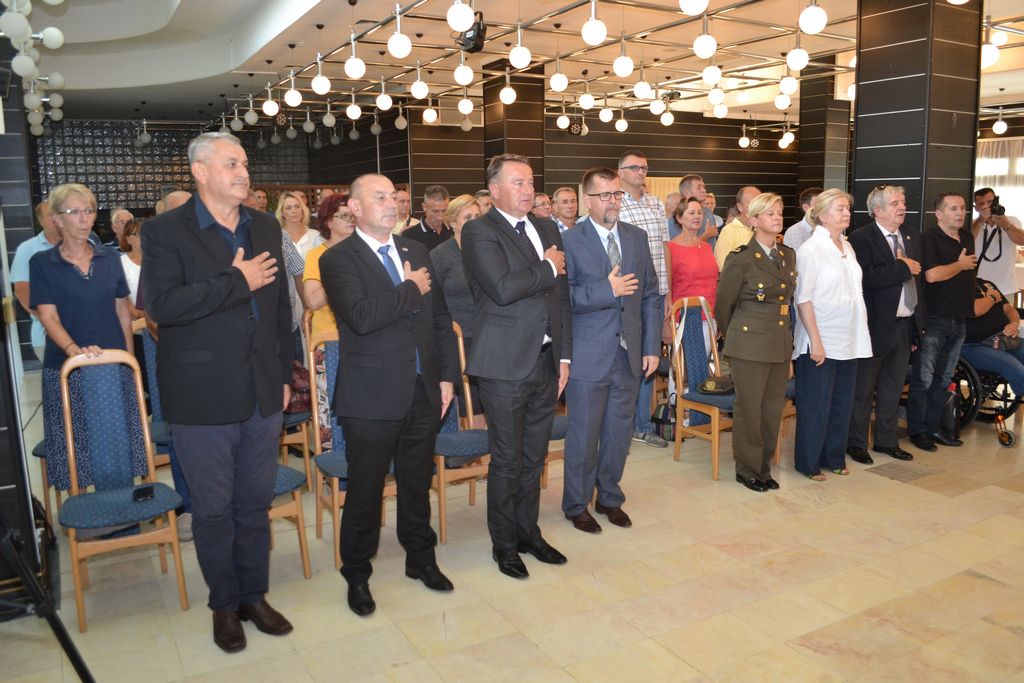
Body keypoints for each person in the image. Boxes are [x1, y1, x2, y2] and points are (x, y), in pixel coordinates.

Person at [143, 132, 294, 653]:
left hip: (262, 390)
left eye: (245, 163)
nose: (243, 172)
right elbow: (162, 307)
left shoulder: (265, 225)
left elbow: (279, 307)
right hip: (201, 394)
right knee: (212, 510)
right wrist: (236, 281)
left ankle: (254, 596)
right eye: (231, 164)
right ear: (200, 171)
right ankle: (224, 606)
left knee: (254, 505)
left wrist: (284, 372)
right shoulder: (164, 231)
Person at [321, 173, 459, 617]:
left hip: (422, 388)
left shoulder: (415, 250)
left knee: (417, 483)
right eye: (378, 197)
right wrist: (410, 287)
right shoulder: (337, 258)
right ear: (355, 208)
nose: (390, 203)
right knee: (366, 489)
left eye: (393, 196)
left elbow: (439, 319)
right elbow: (362, 317)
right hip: (371, 394)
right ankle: (357, 573)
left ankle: (421, 558)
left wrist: (446, 377)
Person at [461, 153, 571, 579]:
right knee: (507, 460)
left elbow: (559, 298)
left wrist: (564, 355)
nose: (528, 190)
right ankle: (504, 545)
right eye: (518, 183)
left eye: (530, 182)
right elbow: (503, 288)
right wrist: (547, 266)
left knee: (533, 457)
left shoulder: (546, 227)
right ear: (494, 191)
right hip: (504, 363)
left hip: (545, 360)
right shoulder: (479, 230)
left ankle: (529, 533)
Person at [561, 167, 660, 532]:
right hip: (589, 355)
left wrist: (651, 346)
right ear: (587, 199)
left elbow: (650, 294)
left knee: (619, 434)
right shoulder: (570, 241)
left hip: (629, 353)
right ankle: (576, 504)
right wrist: (607, 290)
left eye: (617, 194)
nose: (613, 202)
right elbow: (563, 299)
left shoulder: (636, 237)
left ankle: (609, 497)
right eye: (605, 195)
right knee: (584, 435)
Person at [30, 183, 134, 505]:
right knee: (76, 446)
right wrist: (74, 351)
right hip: (67, 367)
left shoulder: (110, 258)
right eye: (74, 212)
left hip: (111, 364)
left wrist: (129, 360)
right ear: (56, 219)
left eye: (88, 211)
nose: (83, 218)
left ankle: (121, 511)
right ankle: (86, 514)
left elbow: (122, 311)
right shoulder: (42, 262)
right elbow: (48, 316)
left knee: (116, 444)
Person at [715, 193, 796, 492]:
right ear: (753, 220)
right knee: (749, 409)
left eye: (779, 212)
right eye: (770, 213)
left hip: (778, 341)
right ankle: (747, 469)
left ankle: (764, 467)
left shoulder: (787, 255)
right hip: (749, 343)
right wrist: (738, 337)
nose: (777, 218)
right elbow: (724, 306)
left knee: (772, 409)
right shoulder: (741, 258)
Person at [792, 189, 872, 480]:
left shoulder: (847, 246)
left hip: (849, 336)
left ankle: (834, 457)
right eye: (840, 208)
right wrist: (815, 340)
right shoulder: (810, 250)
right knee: (816, 405)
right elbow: (804, 299)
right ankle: (808, 463)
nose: (846, 213)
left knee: (842, 402)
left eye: (847, 208)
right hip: (821, 337)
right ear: (822, 214)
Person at [846, 185, 923, 465]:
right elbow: (865, 278)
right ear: (877, 210)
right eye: (894, 203)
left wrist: (917, 326)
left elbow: (919, 285)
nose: (902, 207)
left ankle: (886, 441)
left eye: (903, 202)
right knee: (863, 389)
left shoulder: (910, 235)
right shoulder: (861, 238)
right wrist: (902, 267)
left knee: (892, 387)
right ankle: (856, 443)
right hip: (874, 325)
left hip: (904, 324)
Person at [908, 192, 977, 451]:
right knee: (924, 378)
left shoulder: (967, 237)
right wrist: (960, 265)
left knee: (944, 378)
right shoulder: (927, 239)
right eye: (953, 209)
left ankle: (934, 427)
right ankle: (918, 431)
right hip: (934, 319)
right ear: (939, 214)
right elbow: (932, 276)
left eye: (962, 208)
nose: (960, 213)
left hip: (959, 319)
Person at [616, 150, 669, 448]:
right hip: (628, 293)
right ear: (620, 172)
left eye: (644, 168)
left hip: (655, 293)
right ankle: (622, 424)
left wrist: (667, 289)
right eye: (634, 167)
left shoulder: (655, 203)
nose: (640, 172)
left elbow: (664, 248)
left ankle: (643, 425)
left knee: (650, 355)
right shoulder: (616, 203)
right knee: (627, 361)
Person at [302, 192, 355, 451]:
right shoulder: (317, 255)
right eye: (343, 215)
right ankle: (332, 464)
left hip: (364, 337)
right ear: (328, 222)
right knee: (329, 411)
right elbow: (312, 300)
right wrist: (340, 275)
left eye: (353, 215)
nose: (351, 220)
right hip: (330, 341)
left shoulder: (366, 251)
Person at [11, 201, 62, 361]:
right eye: (50, 215)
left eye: (58, 214)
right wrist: (50, 321)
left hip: (85, 333)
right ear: (40, 221)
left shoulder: (83, 245)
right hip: (46, 335)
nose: (55, 219)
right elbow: (22, 291)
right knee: (59, 376)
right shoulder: (27, 249)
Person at [962, 278, 1024, 397]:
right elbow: (975, 310)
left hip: (1003, 339)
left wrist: (1014, 324)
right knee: (1018, 371)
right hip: (974, 345)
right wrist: (992, 298)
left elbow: (1009, 309)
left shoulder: (985, 283)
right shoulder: (954, 286)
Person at [667, 197, 720, 327]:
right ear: (679, 218)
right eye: (691, 213)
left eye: (699, 212)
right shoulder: (670, 248)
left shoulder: (707, 247)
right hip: (684, 318)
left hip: (710, 316)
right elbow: (666, 289)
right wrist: (666, 324)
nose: (697, 216)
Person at [972, 187, 1023, 298]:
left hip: (1006, 287)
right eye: (982, 204)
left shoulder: (1012, 221)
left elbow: (1021, 241)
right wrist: (980, 221)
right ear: (976, 208)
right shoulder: (972, 224)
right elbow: (966, 242)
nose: (987, 207)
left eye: (990, 202)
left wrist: (1006, 225)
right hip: (979, 287)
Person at [714, 186, 760, 269]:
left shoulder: (763, 230)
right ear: (740, 207)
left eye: (760, 203)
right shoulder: (729, 231)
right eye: (752, 203)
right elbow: (723, 268)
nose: (757, 208)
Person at [404, 184, 453, 249]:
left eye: (444, 211)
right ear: (424, 207)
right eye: (435, 211)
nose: (440, 217)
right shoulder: (409, 236)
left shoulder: (454, 232)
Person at [674, 174, 717, 243]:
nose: (704, 190)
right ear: (687, 193)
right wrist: (706, 235)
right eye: (699, 188)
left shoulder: (708, 211)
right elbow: (678, 245)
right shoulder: (678, 215)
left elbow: (714, 234)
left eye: (703, 187)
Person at [783, 187, 822, 252]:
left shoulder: (828, 229)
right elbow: (799, 258)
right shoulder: (795, 232)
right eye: (819, 205)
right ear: (805, 207)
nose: (824, 208)